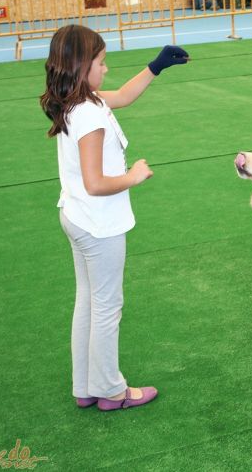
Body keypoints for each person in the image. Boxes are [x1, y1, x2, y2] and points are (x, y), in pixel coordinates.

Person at [39, 25, 189, 411]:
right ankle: (111, 390)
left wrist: (156, 67)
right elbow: (95, 183)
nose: (106, 69)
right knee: (107, 307)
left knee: (89, 303)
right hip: (98, 223)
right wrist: (133, 177)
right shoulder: (88, 115)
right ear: (81, 66)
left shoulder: (76, 100)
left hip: (77, 217)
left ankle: (86, 386)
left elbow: (122, 96)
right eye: (102, 63)